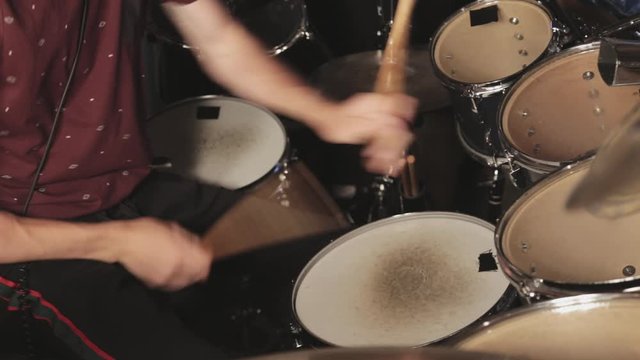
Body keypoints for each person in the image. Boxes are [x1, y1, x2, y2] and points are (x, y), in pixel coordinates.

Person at [0, 0, 417, 359]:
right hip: (29, 241)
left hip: (127, 184)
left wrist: (329, 116)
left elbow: (217, 39)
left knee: (337, 261)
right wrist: (119, 242)